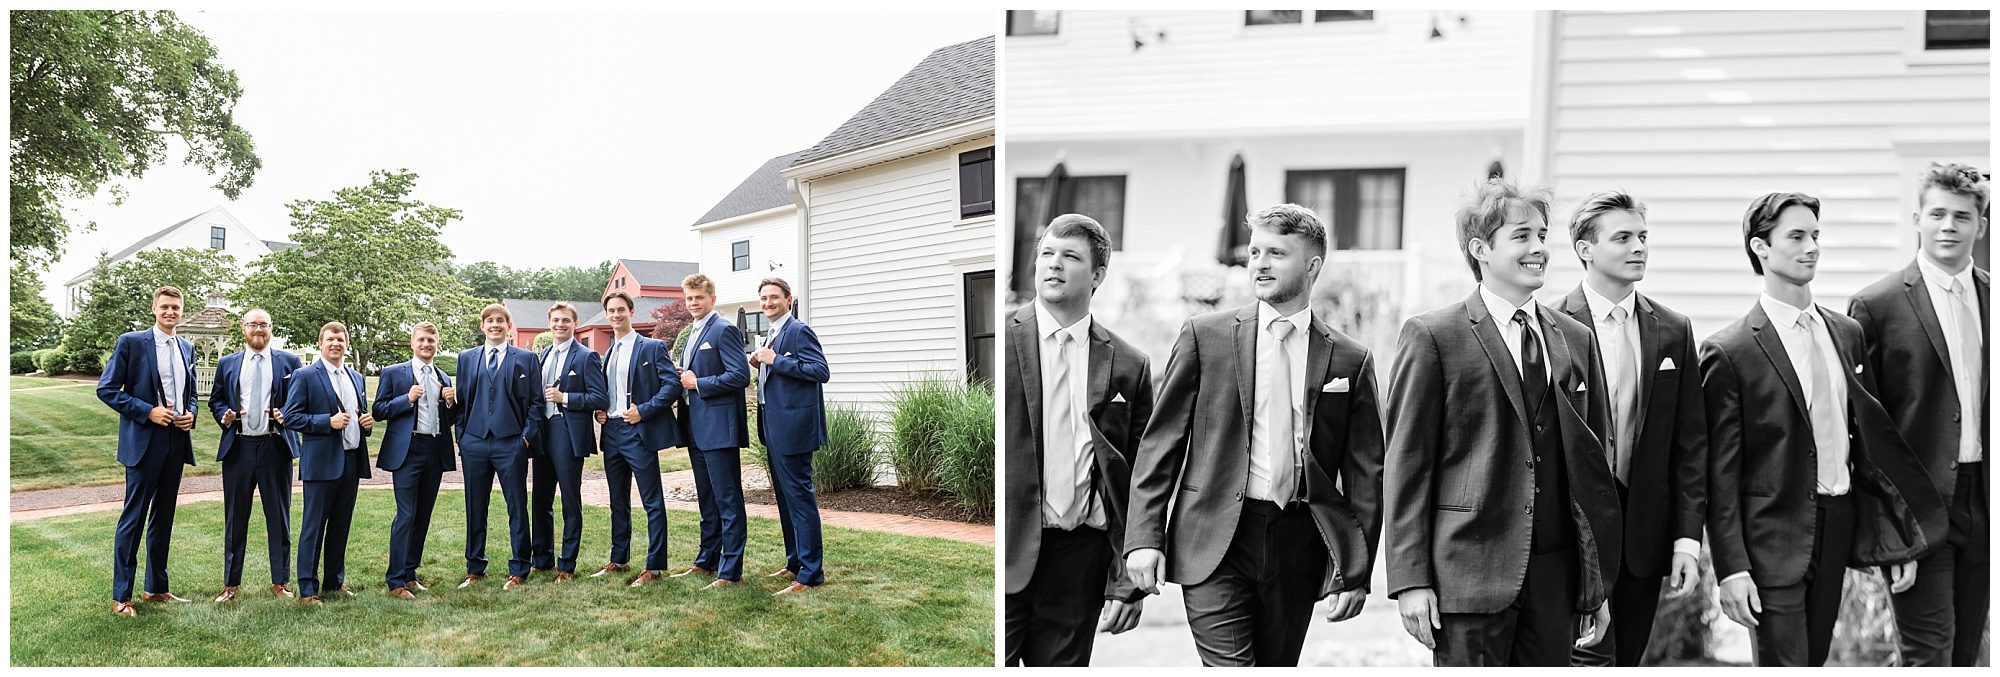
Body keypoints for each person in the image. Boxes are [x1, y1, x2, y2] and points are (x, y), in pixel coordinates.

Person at [1124, 204, 1387, 666]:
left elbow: (1366, 475)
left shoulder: (1351, 360)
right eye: (1255, 252)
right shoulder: (1204, 338)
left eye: (1277, 253)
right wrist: (1144, 537)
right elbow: (1160, 444)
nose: (1260, 264)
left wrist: (1355, 570)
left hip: (1298, 544)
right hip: (1213, 539)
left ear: (1312, 266)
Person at [1702, 191, 1944, 666]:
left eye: (1815, 235)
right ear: (1760, 247)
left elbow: (1871, 449)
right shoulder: (1728, 351)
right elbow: (1720, 475)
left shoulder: (1847, 333)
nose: (1812, 246)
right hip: (1771, 539)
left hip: (1837, 528)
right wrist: (1731, 569)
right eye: (1796, 236)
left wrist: (1895, 538)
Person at [1384, 179, 1620, 666]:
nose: (1538, 248)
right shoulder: (1432, 336)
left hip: (1556, 580)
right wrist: (1410, 581)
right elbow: (1406, 466)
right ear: (1480, 249)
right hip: (1468, 575)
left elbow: (1590, 469)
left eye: (1542, 234)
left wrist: (1592, 584)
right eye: (1521, 236)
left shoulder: (1576, 339)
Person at [1553, 192, 1709, 666]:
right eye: (1622, 237)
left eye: (1642, 236)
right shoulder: (1550, 325)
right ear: (1586, 249)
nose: (1638, 246)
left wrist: (1686, 540)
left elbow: (1691, 445)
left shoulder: (1674, 330)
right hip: (1572, 538)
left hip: (1646, 535)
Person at [1848, 163, 1989, 667]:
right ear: (1917, 219)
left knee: (1967, 657)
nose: (1949, 225)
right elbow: (1866, 434)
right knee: (1930, 657)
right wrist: (1892, 532)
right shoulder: (1875, 306)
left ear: (1982, 223)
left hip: (1985, 503)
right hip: (1918, 508)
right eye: (1937, 214)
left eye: (1962, 215)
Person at [1003, 214, 1153, 665]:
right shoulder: (1003, 342)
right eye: (1047, 253)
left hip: (1080, 560)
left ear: (1098, 275)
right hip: (1007, 550)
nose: (1054, 265)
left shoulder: (1130, 364)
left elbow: (1143, 477)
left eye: (1070, 257)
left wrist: (1127, 580)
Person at [97, 285, 201, 617]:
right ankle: (121, 597)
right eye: (165, 307)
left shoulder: (186, 347)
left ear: (182, 311)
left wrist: (191, 414)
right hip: (144, 442)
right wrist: (147, 411)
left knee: (164, 517)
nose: (171, 312)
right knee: (134, 517)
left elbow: (193, 392)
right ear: (154, 308)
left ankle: (156, 588)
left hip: (175, 441)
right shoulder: (132, 343)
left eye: (176, 307)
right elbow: (107, 389)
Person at [208, 308, 304, 602]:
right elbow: (216, 400)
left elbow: (298, 402)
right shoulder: (227, 363)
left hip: (275, 446)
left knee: (279, 516)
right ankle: (230, 583)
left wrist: (285, 413)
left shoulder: (290, 362)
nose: (258, 330)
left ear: (270, 328)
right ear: (243, 328)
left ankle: (281, 581)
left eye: (264, 325)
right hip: (239, 446)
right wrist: (223, 414)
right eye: (253, 325)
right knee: (236, 517)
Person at [591, 290, 685, 585]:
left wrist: (643, 411)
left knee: (652, 501)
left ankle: (654, 567)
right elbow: (606, 393)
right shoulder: (608, 353)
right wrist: (601, 411)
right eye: (611, 311)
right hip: (612, 433)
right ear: (606, 315)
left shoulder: (652, 347)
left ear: (631, 311)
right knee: (617, 501)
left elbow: (672, 386)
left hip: (638, 432)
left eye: (621, 309)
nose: (616, 315)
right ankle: (619, 560)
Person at [748, 277, 832, 596]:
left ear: (788, 299)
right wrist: (761, 364)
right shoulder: (772, 333)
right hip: (772, 425)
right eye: (764, 298)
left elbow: (820, 371)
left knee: (799, 498)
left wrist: (776, 361)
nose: (768, 303)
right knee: (784, 499)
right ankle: (795, 561)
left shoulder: (798, 330)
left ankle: (811, 573)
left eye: (773, 297)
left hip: (794, 429)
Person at [282, 321, 374, 605]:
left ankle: (335, 581)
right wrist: (327, 422)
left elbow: (359, 414)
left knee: (340, 525)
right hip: (321, 463)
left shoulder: (356, 378)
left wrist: (366, 424)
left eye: (340, 339)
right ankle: (308, 589)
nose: (336, 343)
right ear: (320, 343)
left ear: (347, 344)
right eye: (330, 339)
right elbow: (291, 417)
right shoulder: (305, 375)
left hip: (351, 459)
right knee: (314, 526)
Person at [671, 273, 753, 589]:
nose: (693, 303)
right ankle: (706, 561)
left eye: (699, 298)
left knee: (728, 501)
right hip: (695, 428)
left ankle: (731, 571)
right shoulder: (691, 333)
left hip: (719, 429)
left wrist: (698, 383)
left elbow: (739, 375)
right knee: (707, 499)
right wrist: (683, 376)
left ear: (712, 299)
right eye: (689, 298)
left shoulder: (723, 329)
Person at [456, 303, 544, 591]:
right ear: (482, 327)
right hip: (475, 441)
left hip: (511, 442)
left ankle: (519, 567)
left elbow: (535, 403)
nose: (495, 325)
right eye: (489, 321)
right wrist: (462, 437)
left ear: (509, 326)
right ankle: (475, 567)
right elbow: (461, 400)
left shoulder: (526, 359)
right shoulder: (466, 358)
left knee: (517, 506)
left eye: (500, 321)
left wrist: (525, 439)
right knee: (475, 506)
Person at [372, 321, 459, 598]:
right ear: (412, 343)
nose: (426, 345)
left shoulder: (443, 377)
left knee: (422, 515)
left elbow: (452, 419)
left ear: (437, 344)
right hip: (407, 451)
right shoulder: (394, 373)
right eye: (421, 340)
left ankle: (410, 573)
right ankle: (395, 580)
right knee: (406, 514)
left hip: (434, 449)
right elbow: (379, 410)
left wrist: (451, 402)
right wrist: (406, 399)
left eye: (431, 341)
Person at [529, 302, 607, 583]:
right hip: (543, 432)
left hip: (567, 431)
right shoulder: (544, 354)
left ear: (575, 324)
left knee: (570, 502)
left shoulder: (587, 357)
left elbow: (599, 398)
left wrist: (566, 399)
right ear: (549, 324)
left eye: (565, 320)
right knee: (540, 499)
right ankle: (541, 559)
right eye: (555, 320)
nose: (560, 325)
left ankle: (567, 565)